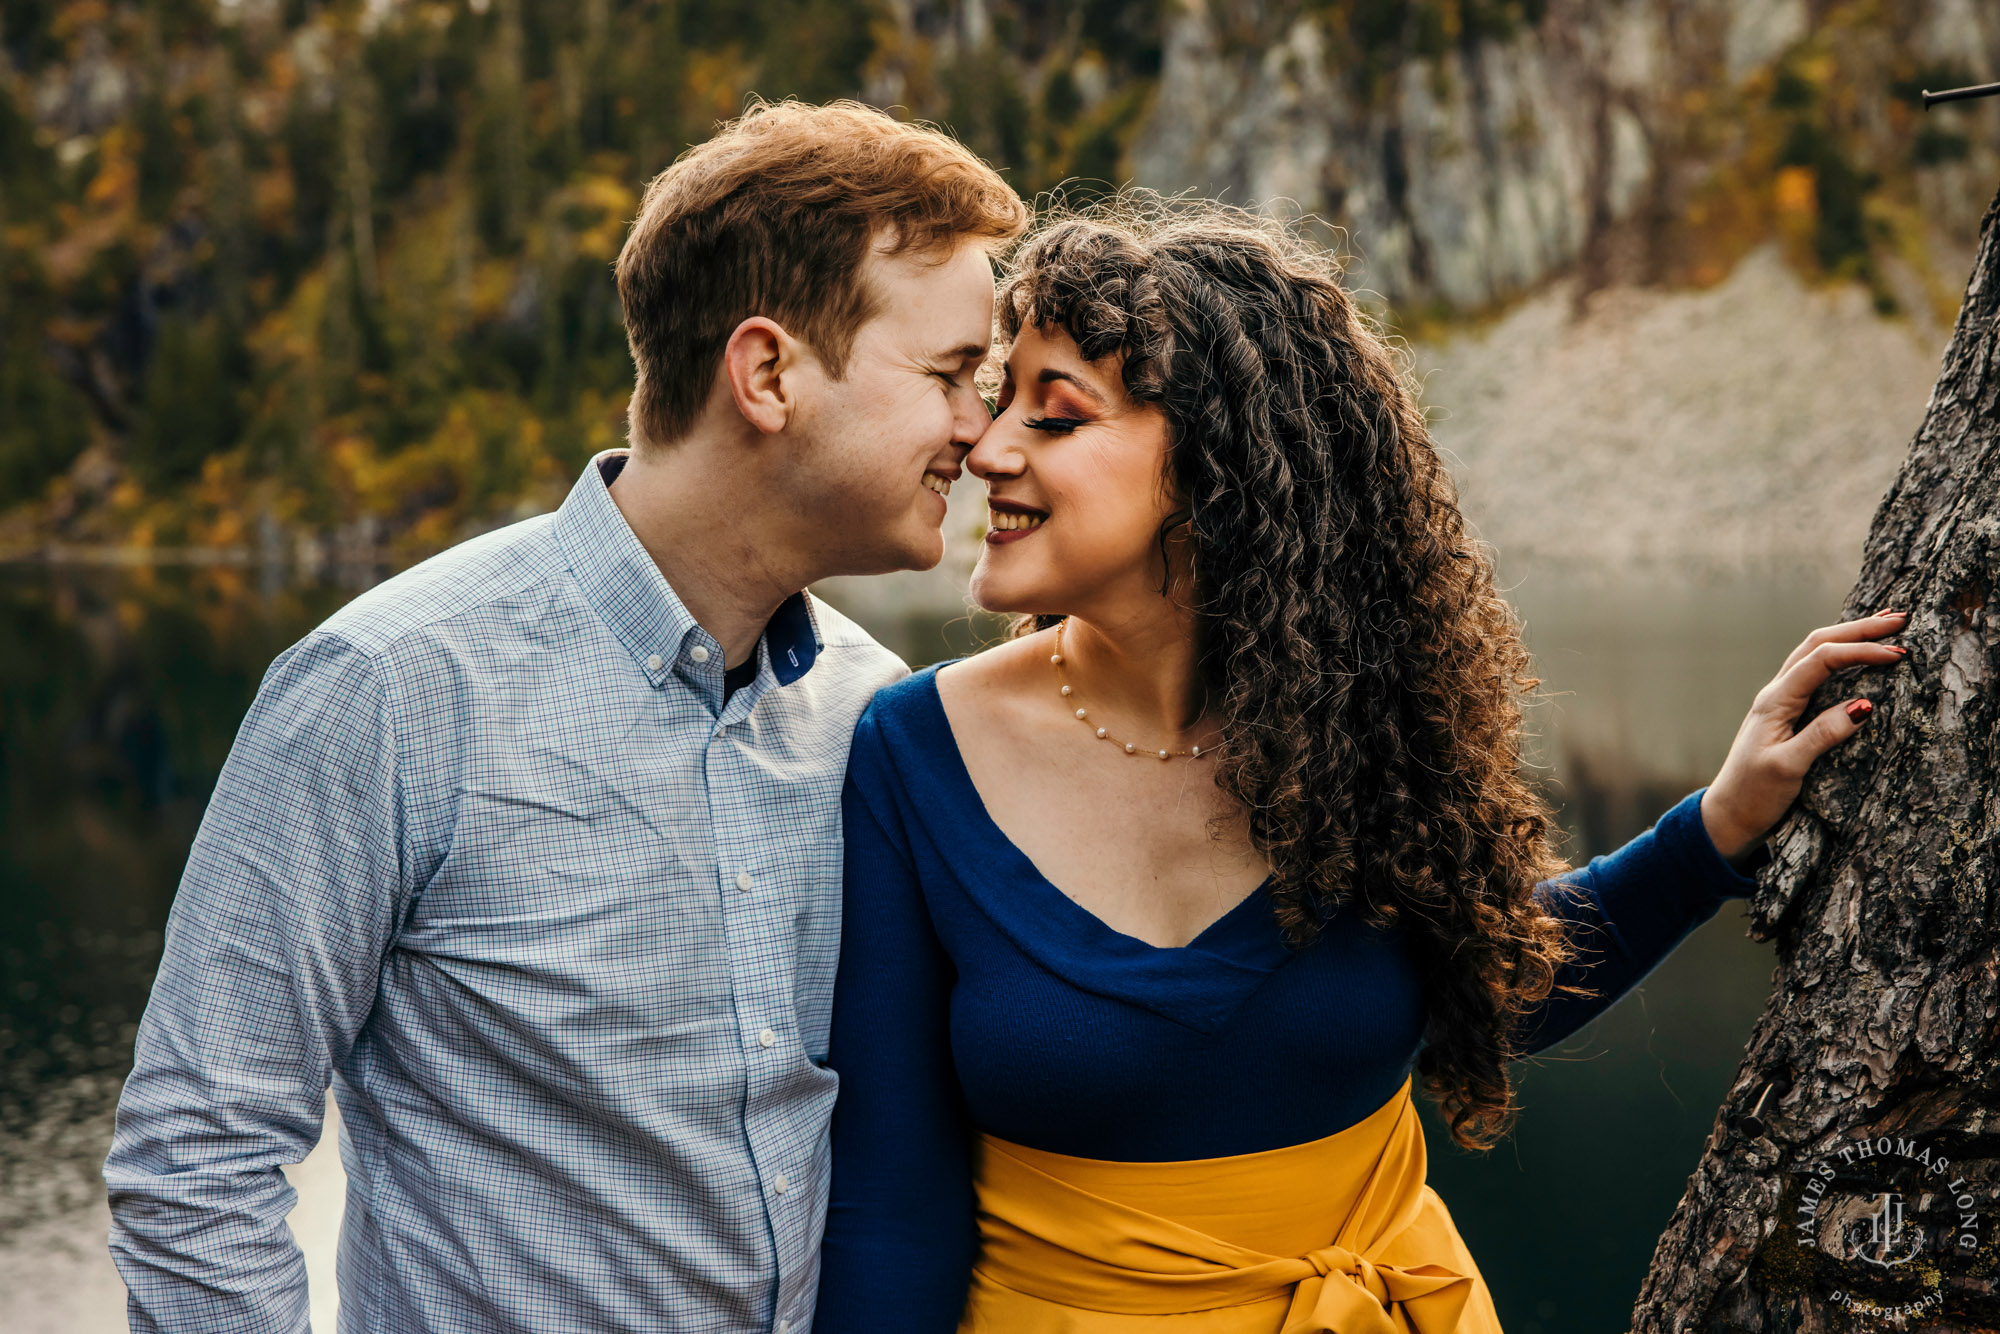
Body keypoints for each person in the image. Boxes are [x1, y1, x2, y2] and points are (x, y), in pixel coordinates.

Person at [811, 196, 1908, 1332]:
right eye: (999, 406)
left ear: (1210, 466)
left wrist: (1717, 825)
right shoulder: (908, 756)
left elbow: (1493, 985)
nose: (985, 447)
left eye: (1054, 417)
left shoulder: (1350, 727)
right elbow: (894, 1212)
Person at [103, 99, 1025, 1333]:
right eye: (952, 375)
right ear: (766, 374)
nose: (984, 429)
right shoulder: (389, 687)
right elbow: (192, 1166)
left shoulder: (872, 715)